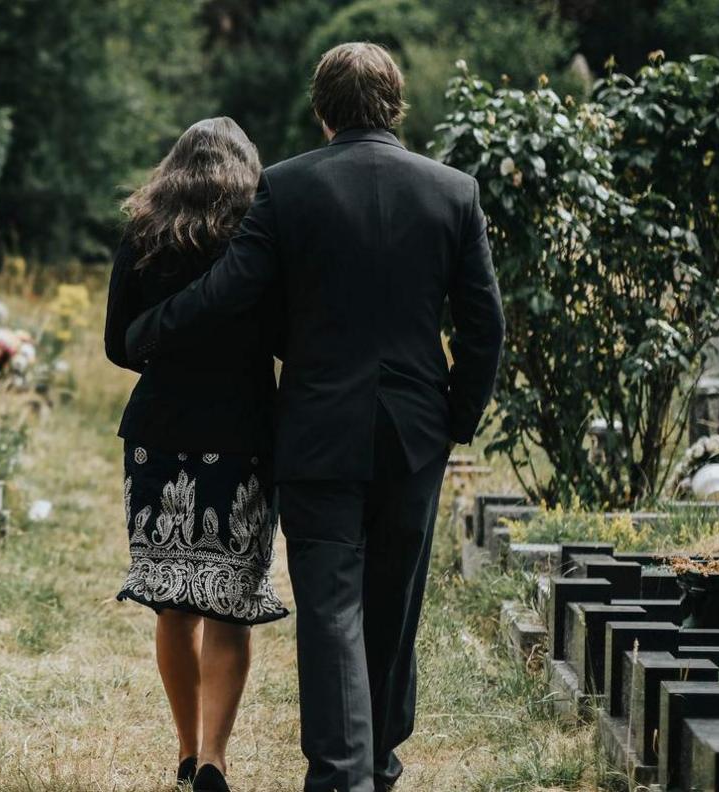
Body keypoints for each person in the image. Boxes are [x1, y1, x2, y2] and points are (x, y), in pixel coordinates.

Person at [126, 43, 504, 792]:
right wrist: (455, 417)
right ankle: (380, 762)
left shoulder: (289, 187)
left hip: (316, 430)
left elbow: (234, 287)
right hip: (413, 433)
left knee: (330, 606)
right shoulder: (453, 191)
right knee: (395, 604)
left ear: (322, 109)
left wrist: (153, 330)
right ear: (396, 105)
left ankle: (341, 776)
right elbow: (483, 325)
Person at [104, 116, 288, 792]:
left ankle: (184, 753)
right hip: (240, 433)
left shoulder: (145, 230)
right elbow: (282, 335)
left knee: (171, 603)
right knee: (228, 603)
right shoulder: (260, 234)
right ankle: (214, 757)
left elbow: (118, 345)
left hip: (160, 433)